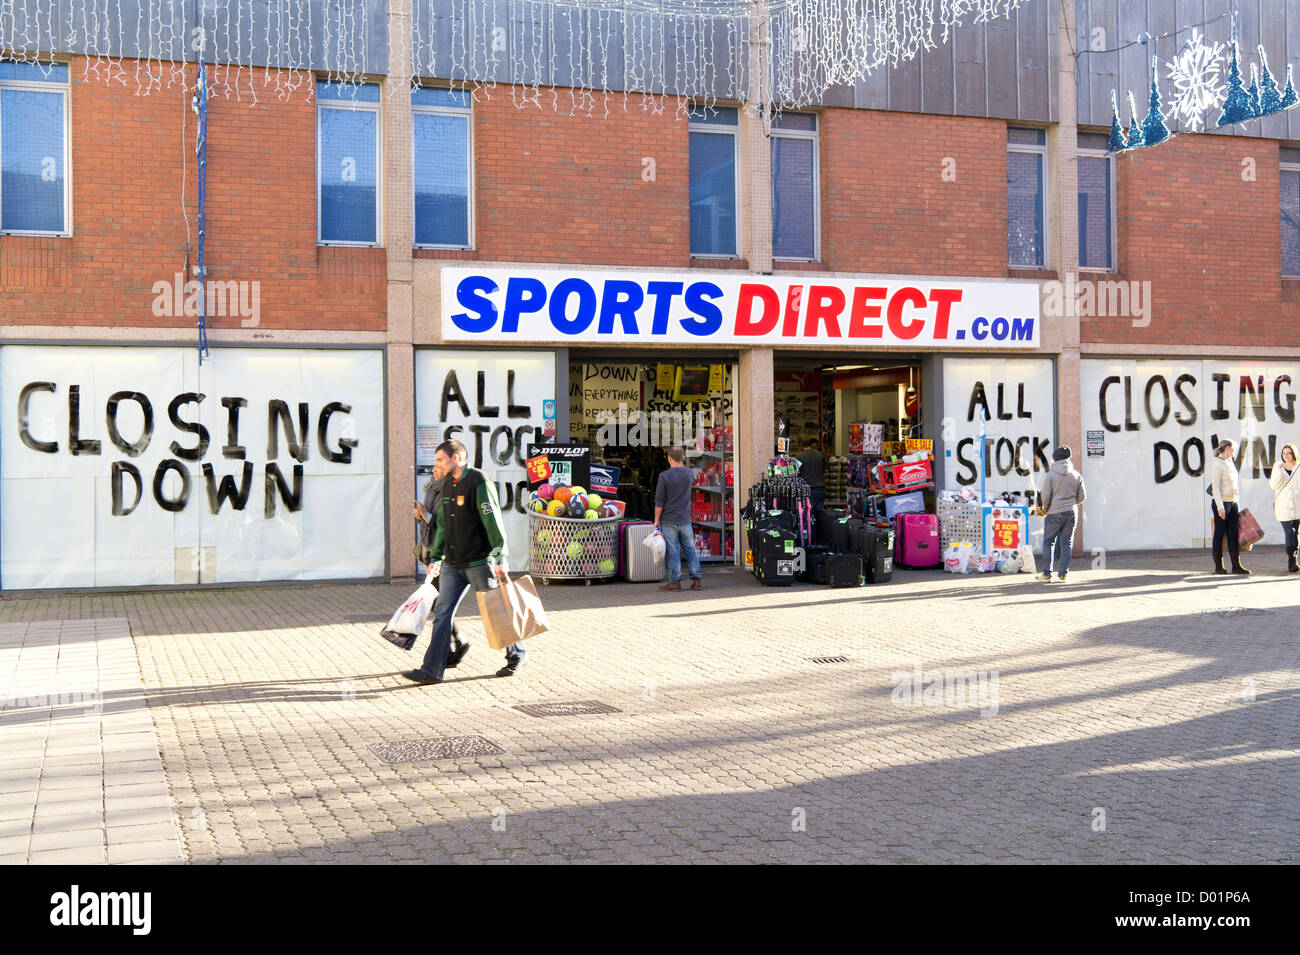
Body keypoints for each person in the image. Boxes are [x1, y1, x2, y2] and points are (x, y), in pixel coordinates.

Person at [402, 439, 524, 684]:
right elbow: (444, 526)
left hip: (479, 561)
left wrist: (500, 555)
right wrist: (436, 558)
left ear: (456, 458)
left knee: (494, 611)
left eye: (440, 460)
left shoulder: (478, 481)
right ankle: (432, 670)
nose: (436, 464)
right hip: (452, 563)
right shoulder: (446, 485)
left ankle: (517, 654)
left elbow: (493, 521)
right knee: (442, 613)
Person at [389, 458, 469, 666]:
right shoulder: (432, 488)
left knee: (439, 604)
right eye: (433, 468)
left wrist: (426, 516)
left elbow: (446, 523)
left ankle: (454, 646)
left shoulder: (450, 492)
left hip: (444, 553)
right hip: (432, 550)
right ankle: (454, 645)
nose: (434, 471)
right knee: (438, 603)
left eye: (438, 468)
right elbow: (430, 521)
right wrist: (420, 516)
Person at [655, 445, 702, 592]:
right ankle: (696, 580)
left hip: (669, 519)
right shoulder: (689, 474)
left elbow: (659, 501)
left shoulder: (664, 476)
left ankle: (675, 582)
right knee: (690, 549)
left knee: (673, 551)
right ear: (683, 457)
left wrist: (656, 519)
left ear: (669, 458)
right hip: (685, 519)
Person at [1038, 445, 1086, 582]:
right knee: (1066, 543)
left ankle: (1047, 574)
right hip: (1071, 513)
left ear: (1054, 459)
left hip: (1054, 513)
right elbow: (1082, 497)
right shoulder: (1076, 475)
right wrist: (1071, 503)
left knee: (1048, 542)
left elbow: (1045, 497)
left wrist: (1046, 509)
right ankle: (1063, 574)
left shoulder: (1050, 476)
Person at [1209, 439, 1248, 575]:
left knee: (1233, 533)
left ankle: (1236, 565)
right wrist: (1220, 507)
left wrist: (1236, 502)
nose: (1234, 451)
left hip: (1233, 502)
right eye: (1232, 449)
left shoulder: (1230, 462)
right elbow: (1216, 488)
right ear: (1226, 448)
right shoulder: (1217, 464)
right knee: (1219, 533)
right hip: (1222, 503)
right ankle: (1218, 566)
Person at [1270, 442, 1300, 573]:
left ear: (1294, 454)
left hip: (1298, 506)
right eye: (1284, 453)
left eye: (1289, 453)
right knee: (1290, 533)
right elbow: (1273, 485)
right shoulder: (1278, 466)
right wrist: (1278, 472)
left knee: (1296, 536)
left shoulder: (1298, 467)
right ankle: (1291, 559)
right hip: (1283, 507)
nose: (1286, 456)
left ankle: (1293, 561)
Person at [795, 436, 828, 513]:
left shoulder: (799, 457)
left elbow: (796, 473)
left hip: (808, 489)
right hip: (821, 487)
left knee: (809, 515)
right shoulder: (820, 454)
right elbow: (824, 470)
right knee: (819, 513)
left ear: (800, 444)